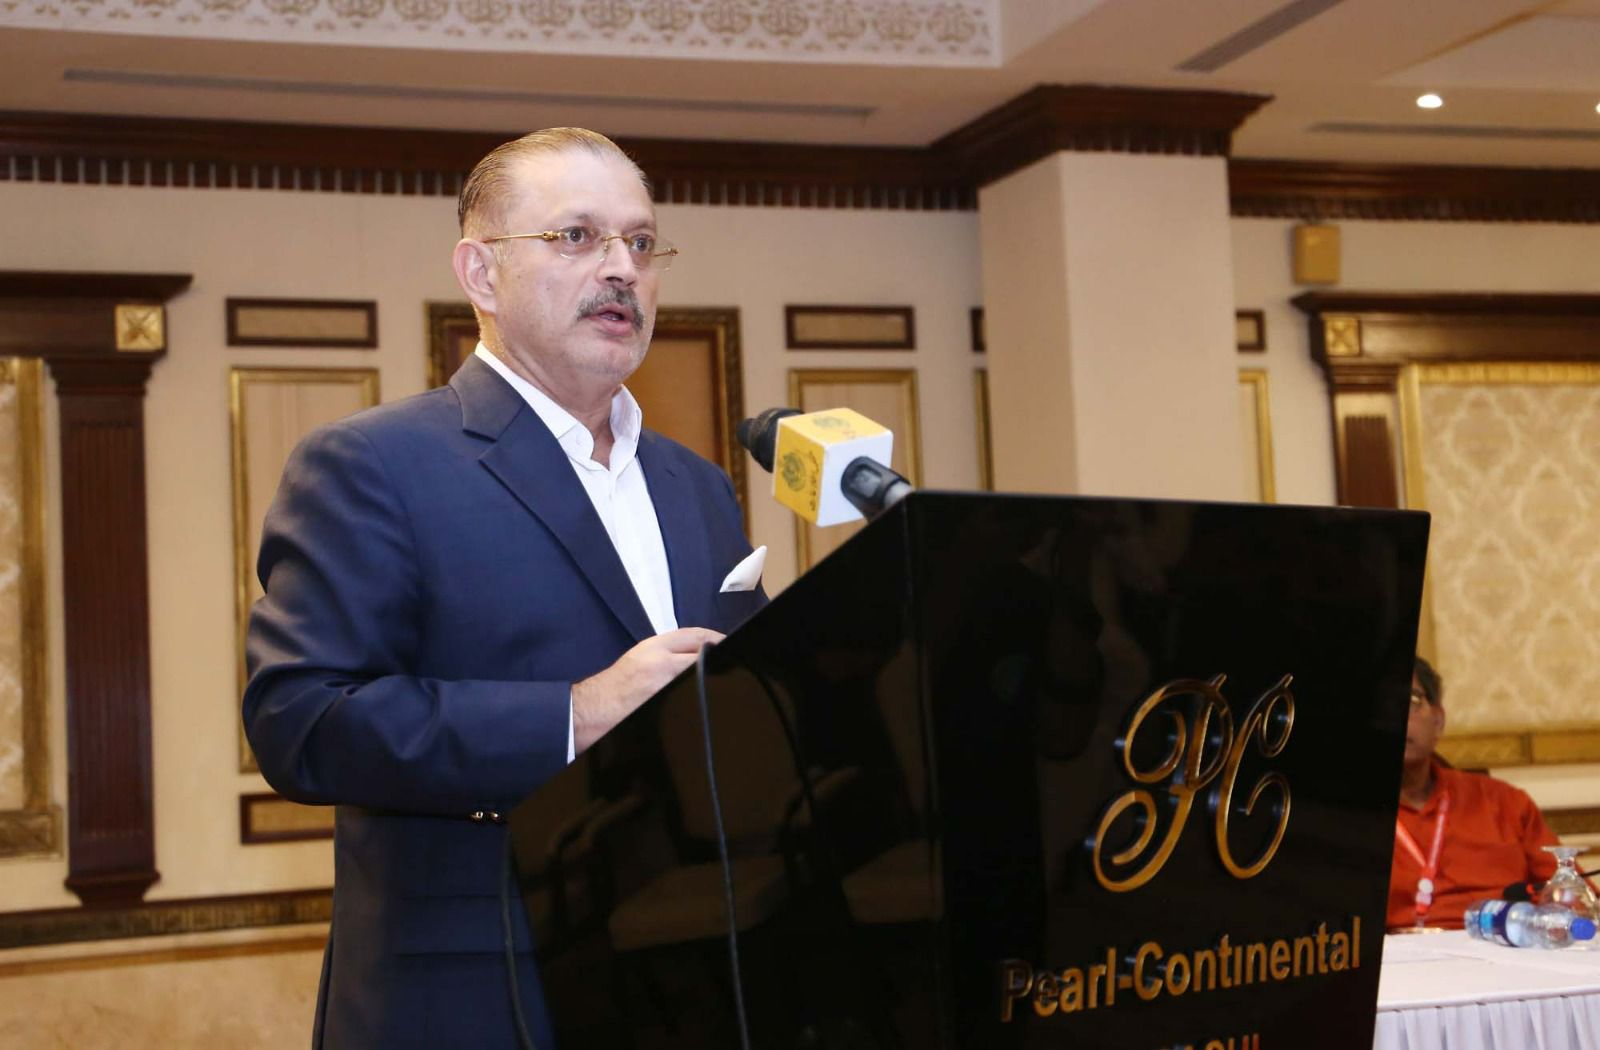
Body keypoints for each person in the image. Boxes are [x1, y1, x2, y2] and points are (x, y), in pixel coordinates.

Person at [243, 127, 766, 1048]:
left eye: (641, 243)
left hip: (687, 982)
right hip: (473, 996)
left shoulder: (697, 485)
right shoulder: (372, 463)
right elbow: (303, 722)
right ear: (480, 274)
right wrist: (575, 714)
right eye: (577, 237)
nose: (622, 268)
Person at [1388, 655, 1558, 930]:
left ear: (1438, 721)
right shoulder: (1335, 815)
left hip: (1503, 944)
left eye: (1410, 701)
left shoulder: (1505, 802)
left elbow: (1569, 898)